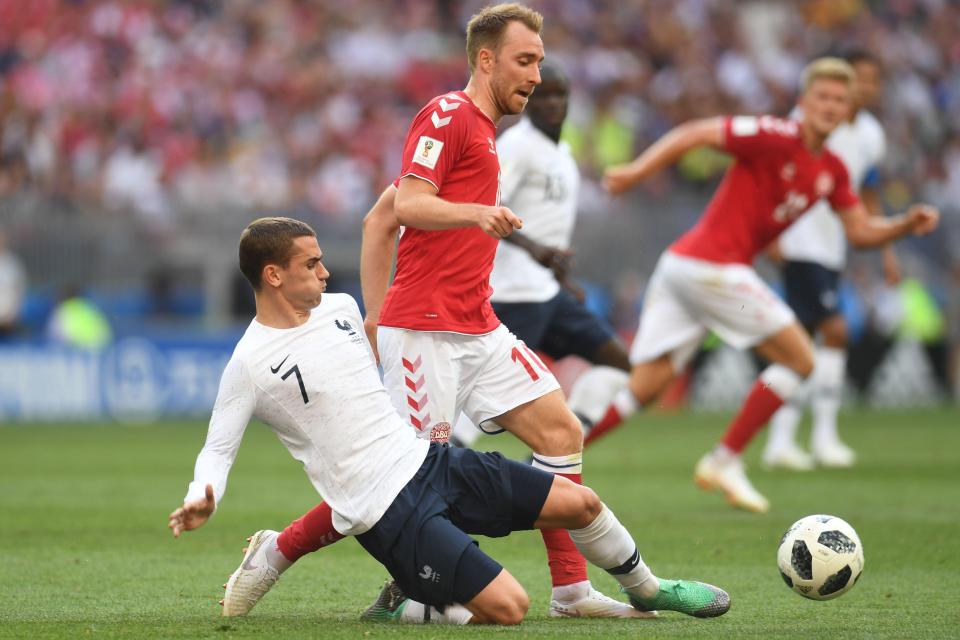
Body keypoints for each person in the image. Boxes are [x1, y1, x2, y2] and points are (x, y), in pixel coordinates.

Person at [166, 216, 731, 625]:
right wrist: (203, 493)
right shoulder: (249, 363)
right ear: (273, 275)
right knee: (510, 609)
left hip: (430, 461)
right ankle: (414, 601)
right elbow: (217, 449)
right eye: (311, 263)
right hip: (385, 511)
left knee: (579, 502)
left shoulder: (339, 308)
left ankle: (649, 590)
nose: (324, 269)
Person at [268, 4, 639, 618]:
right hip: (425, 335)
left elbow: (377, 219)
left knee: (561, 432)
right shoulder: (447, 114)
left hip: (477, 324)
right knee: (402, 485)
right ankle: (290, 556)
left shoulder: (487, 133)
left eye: (541, 62)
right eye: (525, 61)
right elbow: (410, 204)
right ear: (486, 59)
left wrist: (370, 315)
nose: (537, 76)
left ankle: (571, 589)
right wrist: (388, 313)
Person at [586, 57, 939, 513]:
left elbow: (859, 231)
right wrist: (636, 172)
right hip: (709, 268)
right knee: (801, 357)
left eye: (840, 99)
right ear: (803, 102)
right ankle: (725, 458)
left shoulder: (831, 168)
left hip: (686, 269)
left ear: (850, 107)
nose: (831, 105)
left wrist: (903, 224)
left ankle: (551, 462)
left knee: (647, 386)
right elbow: (697, 132)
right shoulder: (776, 135)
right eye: (822, 97)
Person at [449, 62, 632, 449]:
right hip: (512, 292)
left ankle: (564, 448)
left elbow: (545, 226)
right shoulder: (516, 148)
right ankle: (447, 459)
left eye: (559, 95)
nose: (551, 103)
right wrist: (534, 249)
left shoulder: (562, 152)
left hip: (547, 291)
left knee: (617, 362)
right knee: (488, 394)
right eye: (541, 95)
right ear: (526, 101)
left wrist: (562, 279)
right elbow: (484, 207)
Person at [763, 50, 898, 470]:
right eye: (859, 79)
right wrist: (771, 233)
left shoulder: (871, 134)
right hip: (800, 244)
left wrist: (886, 248)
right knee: (833, 332)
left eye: (873, 80)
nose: (866, 88)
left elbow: (867, 194)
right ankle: (820, 436)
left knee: (799, 345)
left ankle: (784, 440)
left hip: (832, 248)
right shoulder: (806, 120)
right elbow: (771, 173)